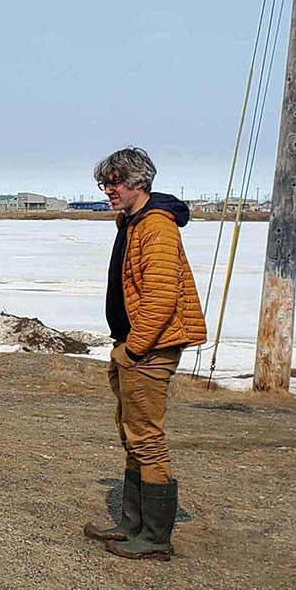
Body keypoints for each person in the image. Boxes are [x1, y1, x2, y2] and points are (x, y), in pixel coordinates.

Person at [81, 147, 207, 560]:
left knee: (148, 440)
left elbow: (161, 296)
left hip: (149, 348)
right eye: (105, 183)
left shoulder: (157, 226)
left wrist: (134, 349)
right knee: (133, 433)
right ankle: (132, 523)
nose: (108, 190)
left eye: (115, 182)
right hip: (134, 346)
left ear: (139, 183)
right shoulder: (133, 222)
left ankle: (155, 538)